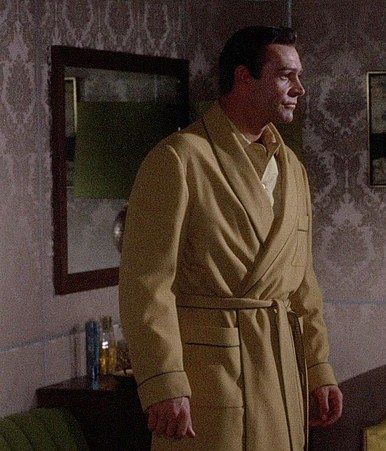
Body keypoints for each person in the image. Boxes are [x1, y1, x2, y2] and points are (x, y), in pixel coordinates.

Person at [119, 25, 343, 450]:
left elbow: (303, 282)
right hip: (212, 372)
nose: (299, 88)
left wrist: (318, 367)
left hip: (281, 369)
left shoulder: (292, 168)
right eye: (285, 75)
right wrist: (163, 380)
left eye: (298, 76)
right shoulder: (178, 159)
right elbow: (146, 284)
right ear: (243, 77)